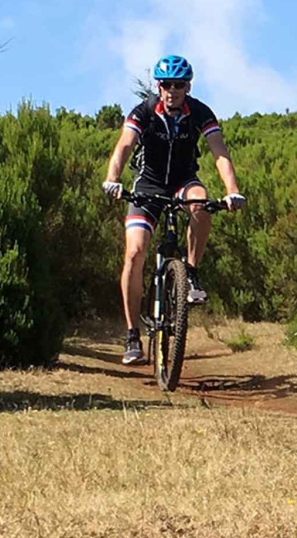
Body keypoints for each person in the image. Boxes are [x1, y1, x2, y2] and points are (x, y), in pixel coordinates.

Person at [101, 55, 245, 365]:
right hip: (148, 187)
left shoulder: (200, 113)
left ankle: (190, 272)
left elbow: (219, 153)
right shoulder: (144, 111)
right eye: (166, 85)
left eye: (179, 85)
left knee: (201, 202)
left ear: (188, 86)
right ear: (159, 86)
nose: (172, 91)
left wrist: (232, 191)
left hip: (183, 181)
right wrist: (112, 179)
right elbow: (124, 146)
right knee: (135, 253)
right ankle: (131, 335)